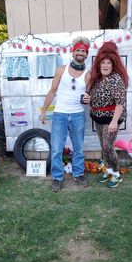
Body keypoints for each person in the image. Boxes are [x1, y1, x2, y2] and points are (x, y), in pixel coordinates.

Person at [40, 36, 91, 192]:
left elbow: (88, 96)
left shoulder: (88, 75)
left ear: (86, 54)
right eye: (78, 50)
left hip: (77, 115)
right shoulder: (61, 70)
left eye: (83, 51)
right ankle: (57, 177)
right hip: (60, 115)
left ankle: (78, 174)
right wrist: (43, 111)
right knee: (56, 148)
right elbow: (52, 91)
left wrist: (89, 99)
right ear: (73, 52)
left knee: (79, 148)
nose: (80, 53)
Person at [89, 41, 128, 188]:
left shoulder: (116, 79)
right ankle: (109, 170)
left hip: (111, 118)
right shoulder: (98, 79)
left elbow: (120, 102)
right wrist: (89, 98)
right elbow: (96, 97)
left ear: (113, 65)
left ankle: (117, 174)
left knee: (108, 147)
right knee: (103, 146)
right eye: (103, 63)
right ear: (99, 64)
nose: (105, 65)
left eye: (108, 63)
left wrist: (114, 121)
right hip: (98, 118)